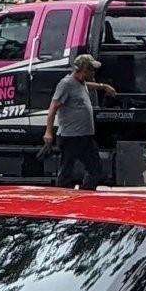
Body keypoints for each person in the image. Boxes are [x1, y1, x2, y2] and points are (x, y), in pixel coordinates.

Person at [44, 53, 117, 190]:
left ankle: (86, 194)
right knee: (67, 171)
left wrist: (103, 86)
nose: (93, 72)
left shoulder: (81, 83)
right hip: (70, 137)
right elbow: (53, 108)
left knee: (95, 170)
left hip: (84, 136)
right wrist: (48, 132)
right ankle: (62, 197)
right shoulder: (66, 84)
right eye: (91, 69)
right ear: (83, 70)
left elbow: (88, 85)